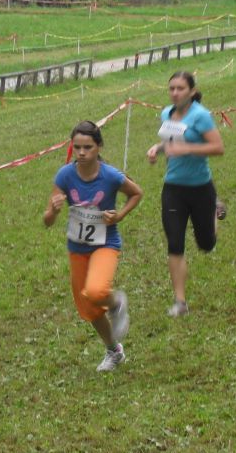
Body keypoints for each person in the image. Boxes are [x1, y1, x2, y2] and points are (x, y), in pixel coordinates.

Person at [44, 121, 143, 372]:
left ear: (98, 147)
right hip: (77, 247)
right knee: (88, 308)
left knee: (97, 290)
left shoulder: (109, 175)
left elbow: (136, 193)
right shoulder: (64, 175)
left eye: (87, 147)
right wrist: (53, 211)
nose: (81, 152)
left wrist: (119, 215)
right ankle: (114, 351)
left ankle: (116, 303)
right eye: (76, 147)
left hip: (105, 243)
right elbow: (46, 220)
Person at [146, 71, 226, 318]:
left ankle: (214, 209)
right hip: (173, 188)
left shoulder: (200, 116)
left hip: (201, 187)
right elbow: (171, 142)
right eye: (171, 88)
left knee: (206, 244)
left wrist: (187, 148)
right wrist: (157, 149)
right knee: (175, 244)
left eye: (180, 88)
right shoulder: (166, 114)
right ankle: (180, 302)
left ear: (191, 91)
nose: (175, 93)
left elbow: (218, 147)